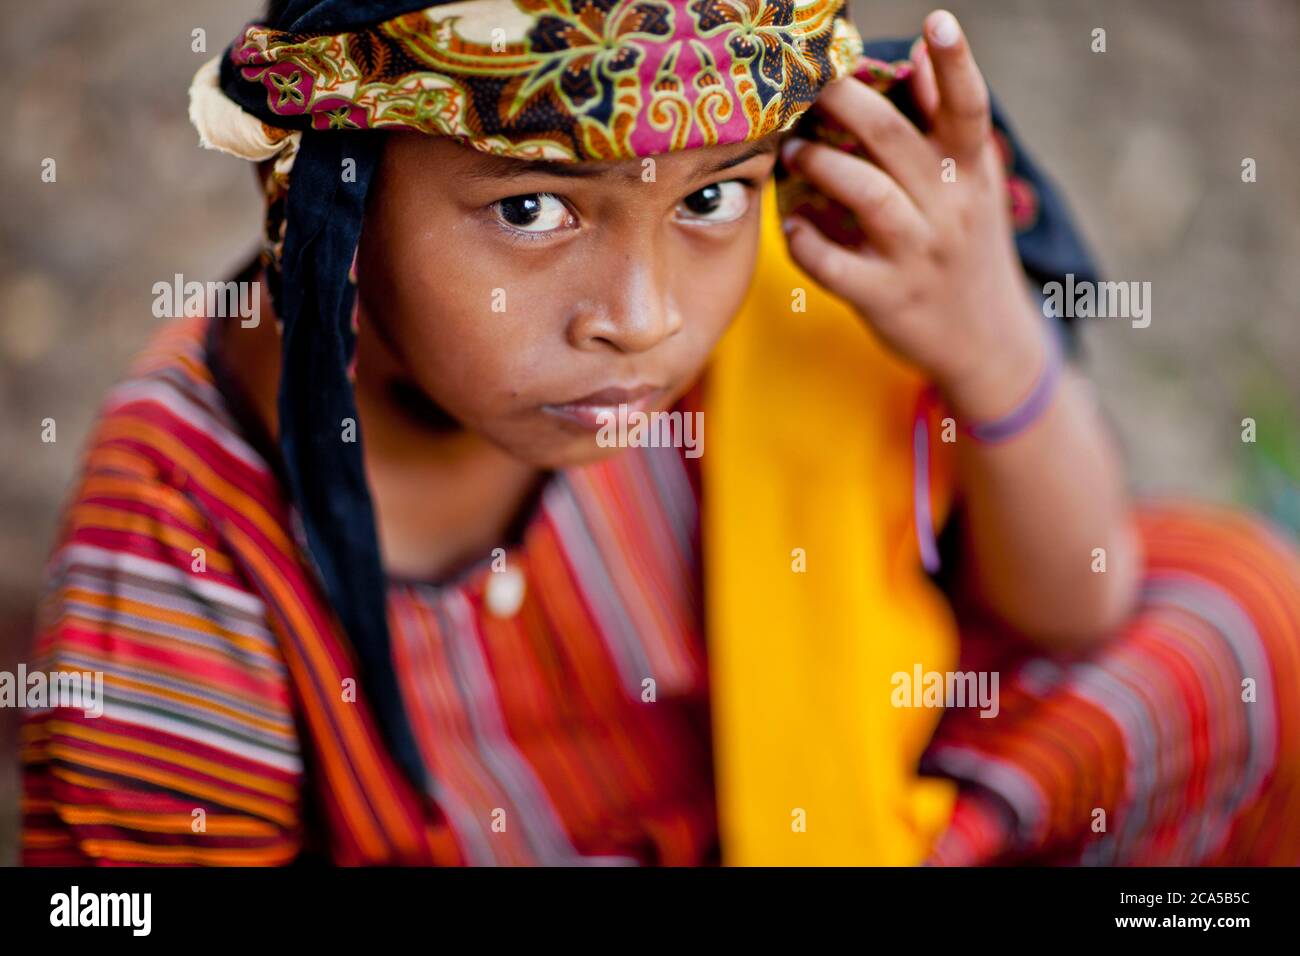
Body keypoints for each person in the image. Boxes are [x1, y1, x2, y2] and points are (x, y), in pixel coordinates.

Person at [20, 0, 1300, 865]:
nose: (640, 319)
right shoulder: (186, 534)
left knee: (1241, 616)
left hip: (819, 821)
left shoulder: (792, 296)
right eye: (530, 208)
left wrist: (986, 338)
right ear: (325, 189)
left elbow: (1073, 603)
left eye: (712, 195)